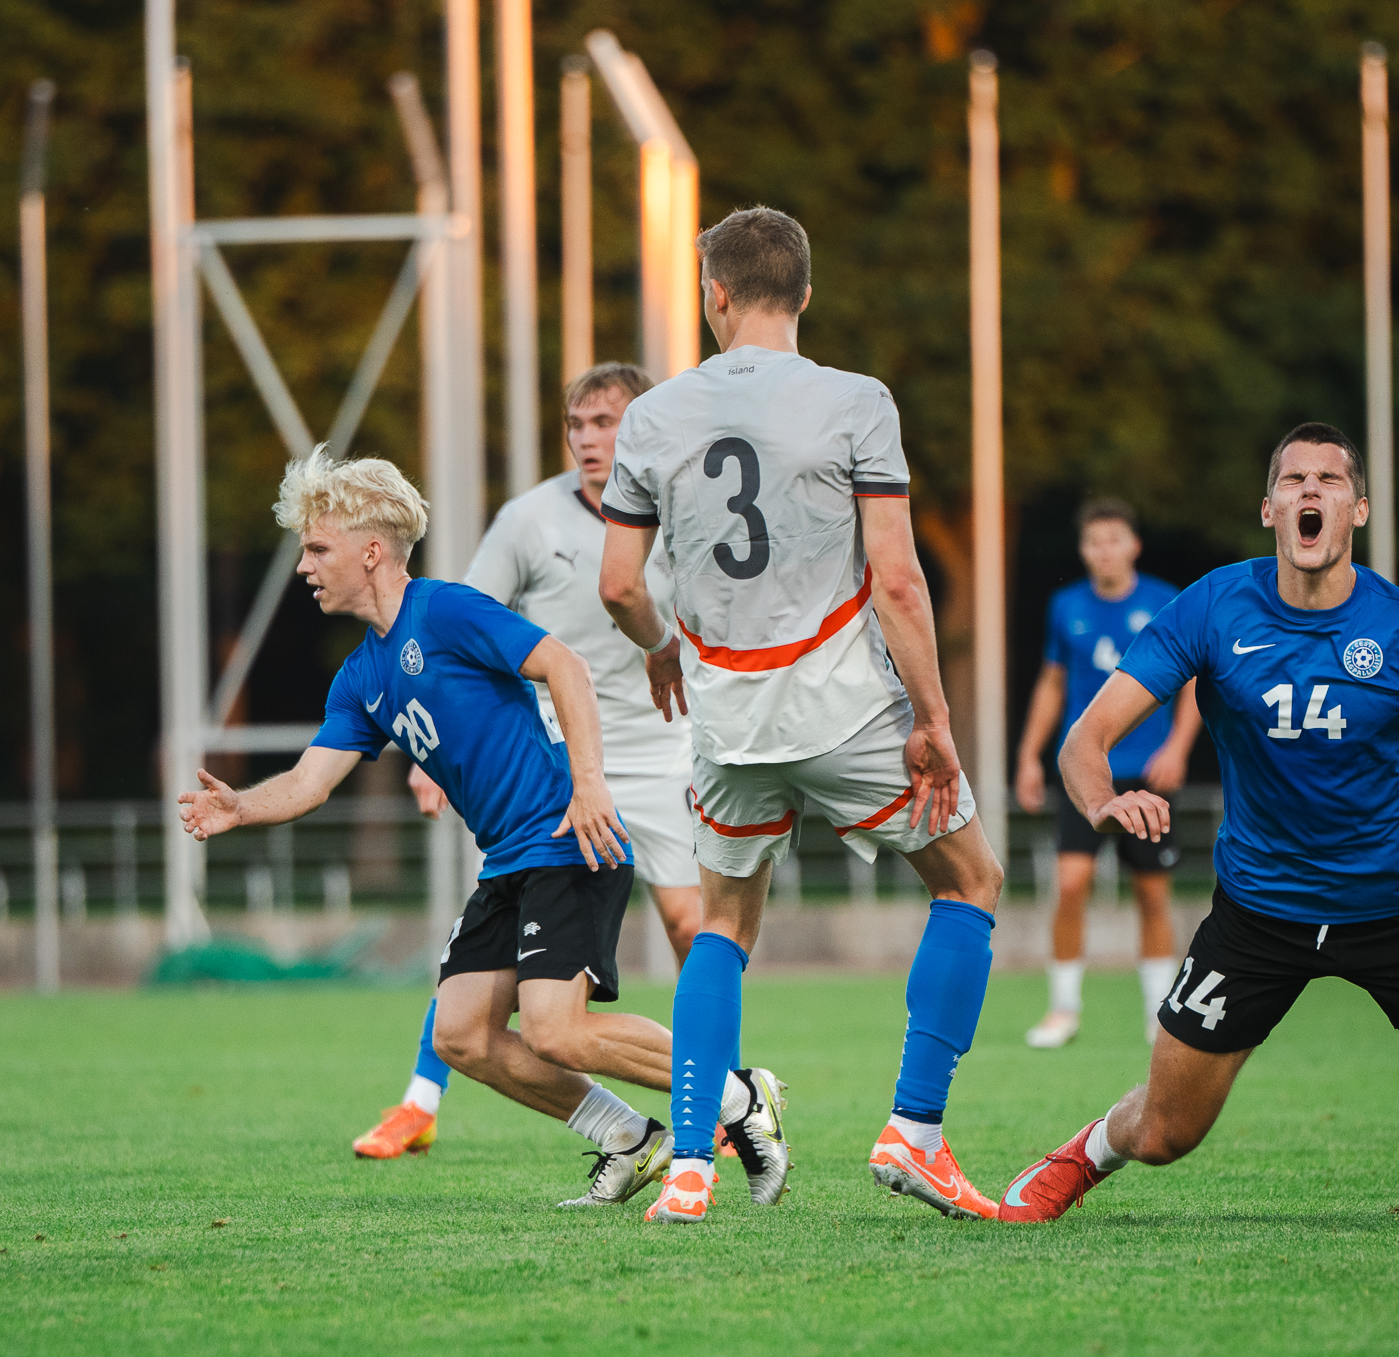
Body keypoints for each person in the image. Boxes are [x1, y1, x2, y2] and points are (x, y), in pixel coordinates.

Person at [996, 423, 1399, 1225]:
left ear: (1357, 507)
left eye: (1329, 479)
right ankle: (1080, 1155)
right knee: (1165, 1130)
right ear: (1269, 508)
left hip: (1396, 906)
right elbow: (1087, 736)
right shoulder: (1216, 606)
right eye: (1294, 480)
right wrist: (1102, 801)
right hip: (1259, 911)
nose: (1311, 491)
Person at [599, 206, 1007, 1225]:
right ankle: (913, 1132)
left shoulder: (653, 417)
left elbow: (617, 585)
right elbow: (899, 581)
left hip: (726, 717)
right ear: (804, 295)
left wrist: (661, 647)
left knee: (722, 933)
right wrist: (935, 720)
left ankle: (690, 1167)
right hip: (842, 706)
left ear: (716, 296)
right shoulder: (855, 401)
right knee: (971, 881)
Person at [179, 447, 680, 1208]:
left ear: (370, 550)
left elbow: (567, 666)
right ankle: (632, 1138)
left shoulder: (443, 609)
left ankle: (739, 1091)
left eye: (317, 548)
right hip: (509, 861)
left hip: (564, 838)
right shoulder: (360, 676)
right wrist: (242, 806)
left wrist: (588, 784)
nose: (305, 565)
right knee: (460, 1035)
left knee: (557, 1031)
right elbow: (312, 782)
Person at [351, 363, 787, 1200]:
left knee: (697, 930)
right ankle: (419, 1098)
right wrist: (428, 759)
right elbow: (437, 642)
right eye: (576, 424)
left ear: (646, 429)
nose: (589, 440)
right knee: (490, 953)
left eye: (607, 422)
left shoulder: (695, 510)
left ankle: (721, 1102)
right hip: (558, 758)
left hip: (668, 750)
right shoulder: (528, 520)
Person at [1014, 498, 1201, 1048]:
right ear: (1083, 550)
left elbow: (1193, 682)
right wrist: (1029, 753)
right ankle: (1063, 1010)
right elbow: (1052, 683)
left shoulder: (1165, 601)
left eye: (1114, 539)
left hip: (1148, 772)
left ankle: (1159, 1015)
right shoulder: (1065, 606)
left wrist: (1178, 746)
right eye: (1094, 542)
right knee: (1071, 885)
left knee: (1152, 893)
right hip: (1085, 773)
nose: (1104, 551)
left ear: (1134, 545)